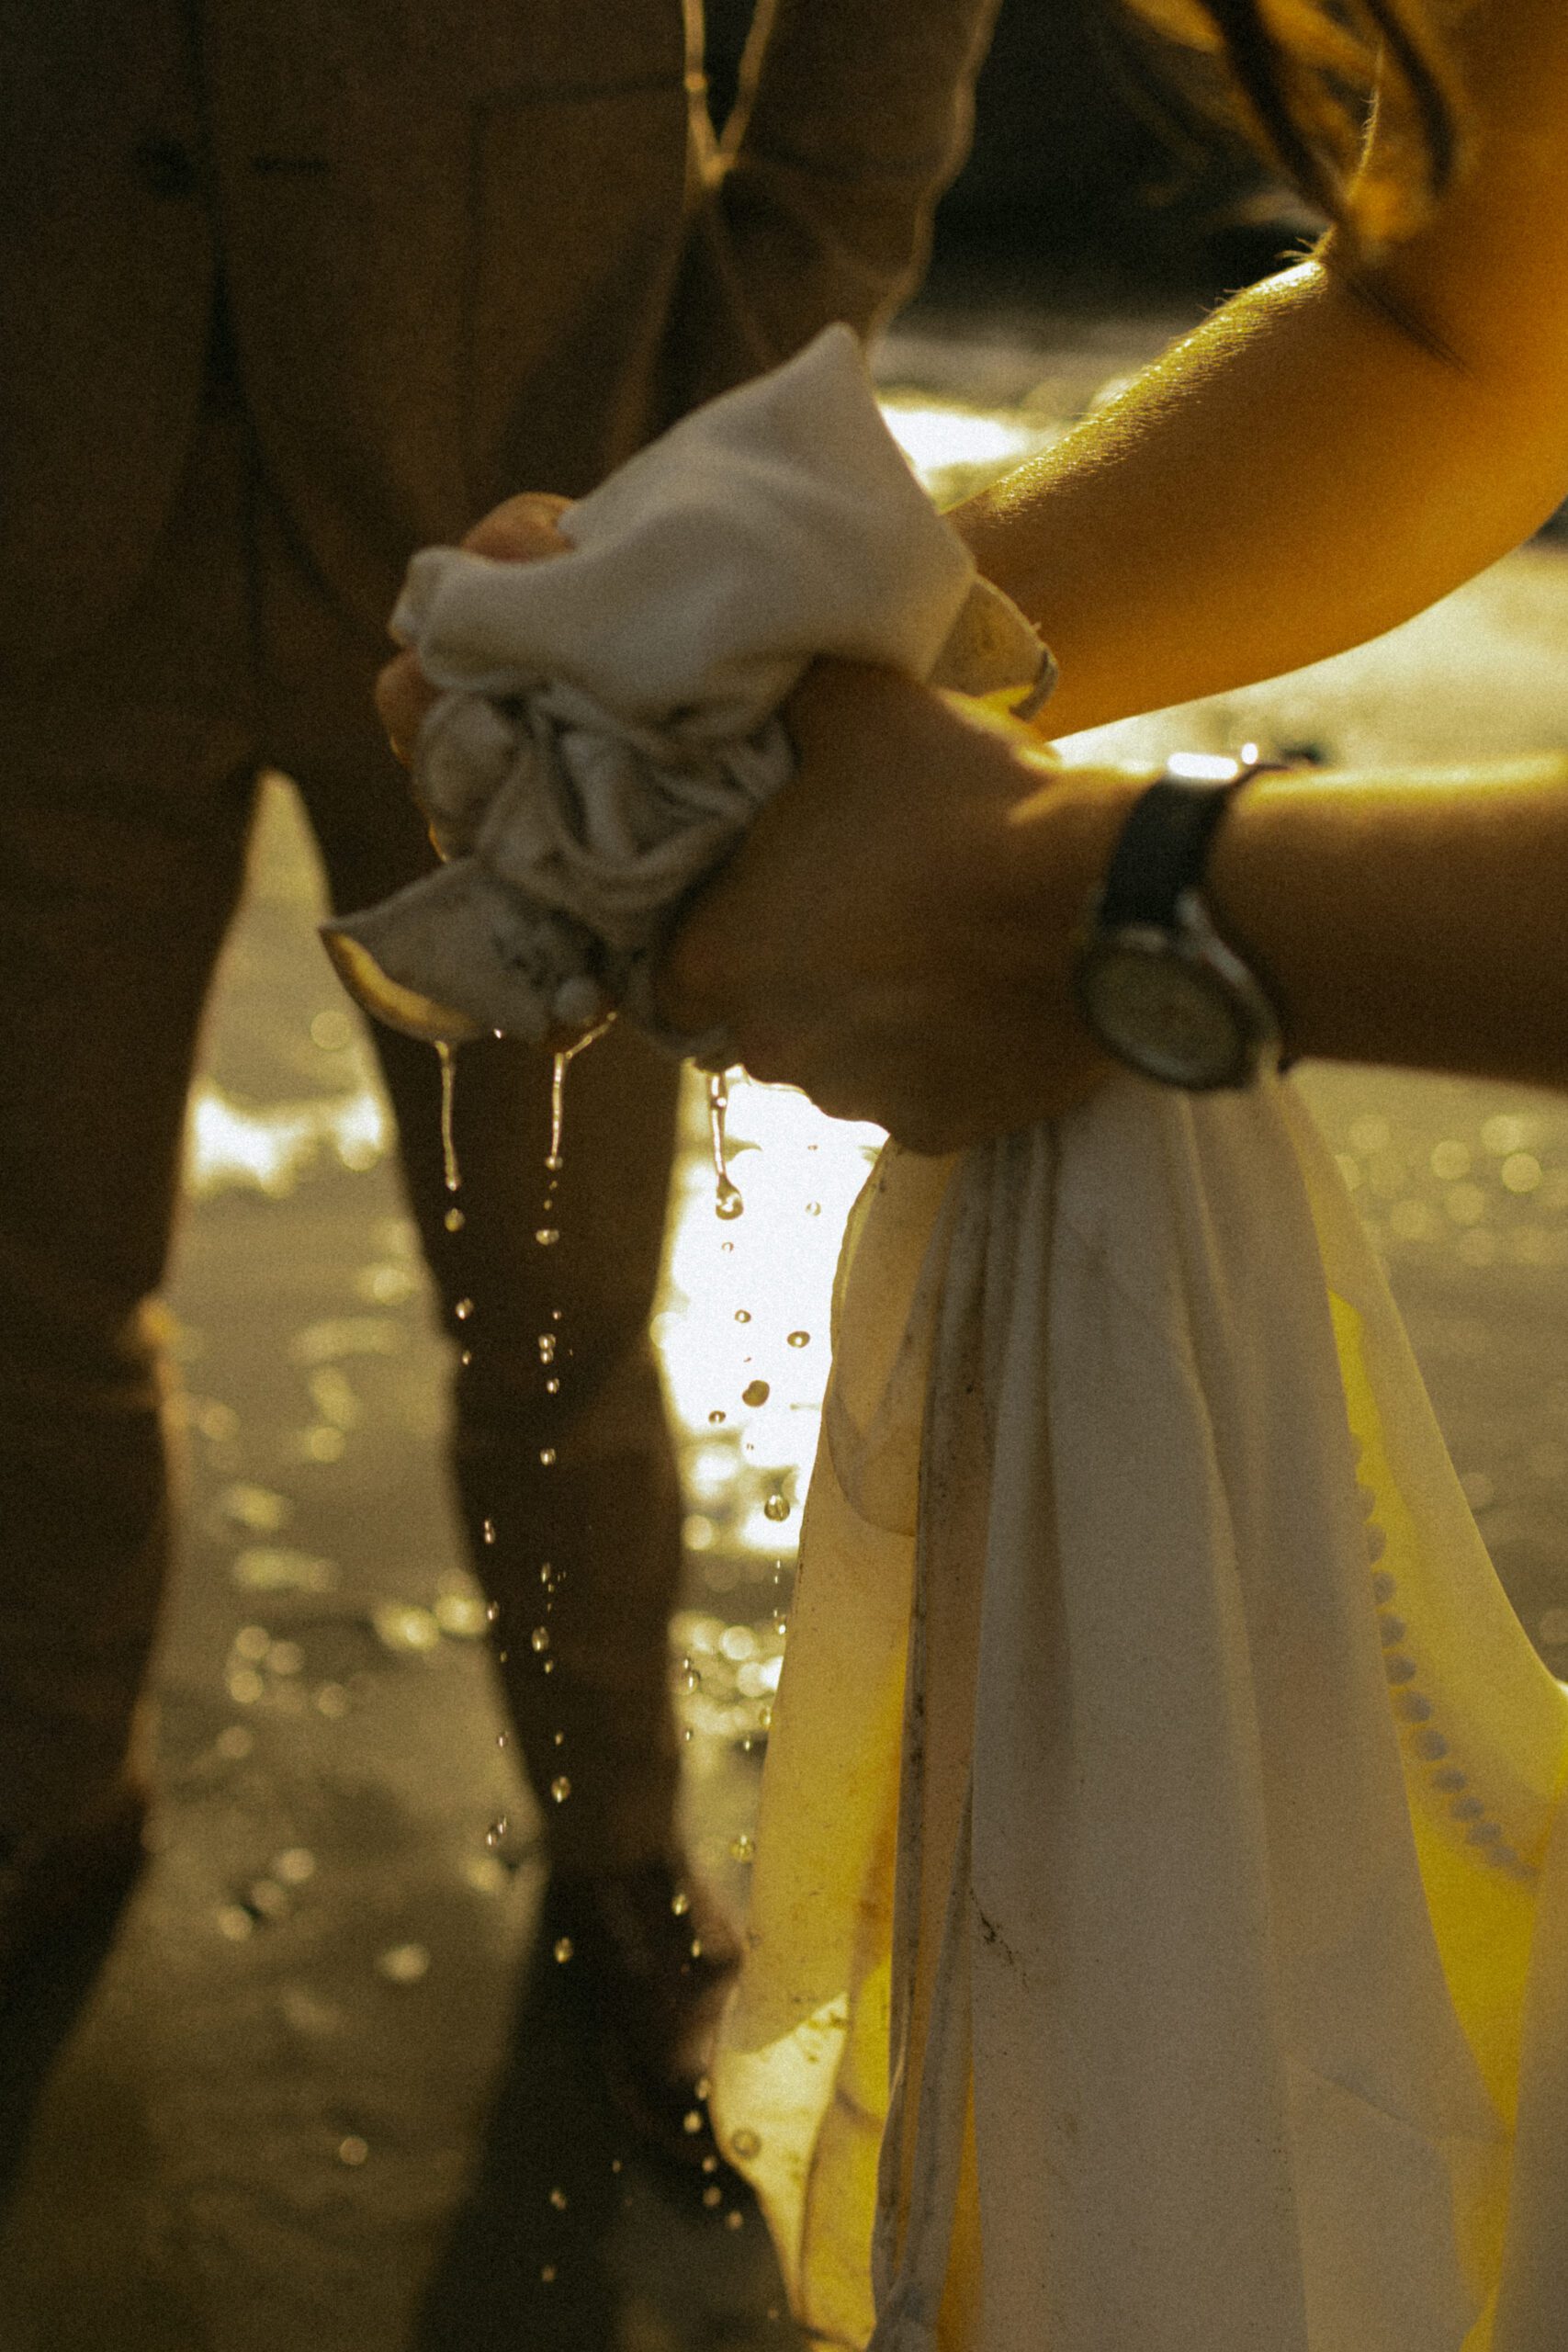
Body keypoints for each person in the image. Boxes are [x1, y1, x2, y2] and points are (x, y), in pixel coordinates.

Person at [0, 0, 1005, 2165]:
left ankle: (625, 1866)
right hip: (41, 536)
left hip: (540, 512)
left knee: (556, 1314)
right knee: (29, 1291)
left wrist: (735, 372)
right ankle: (45, 1808)